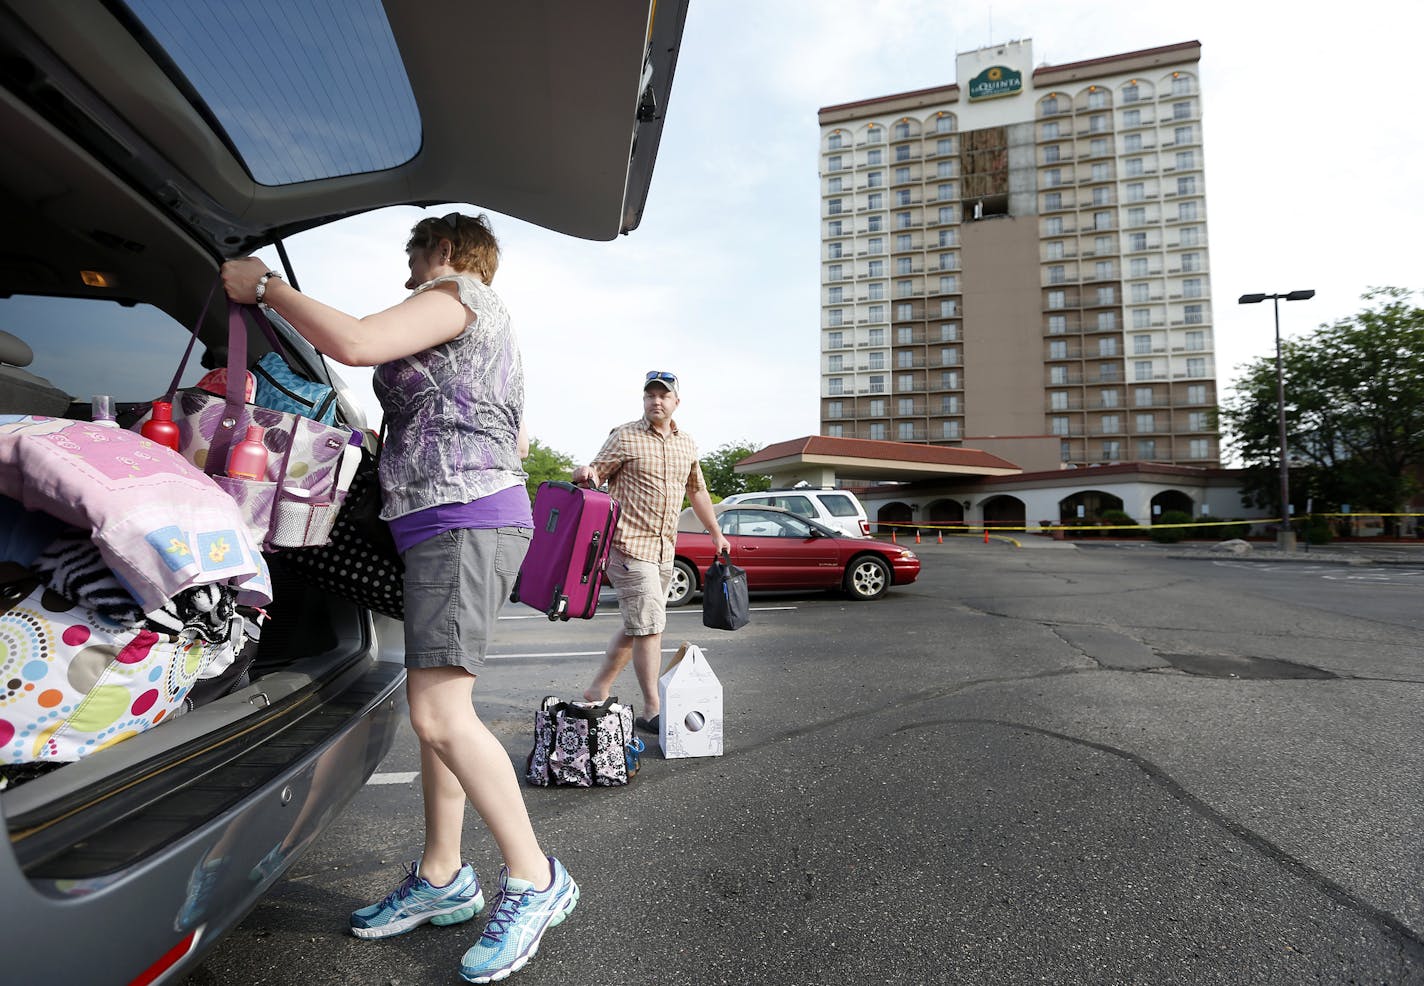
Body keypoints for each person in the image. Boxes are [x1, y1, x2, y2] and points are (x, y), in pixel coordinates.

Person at [220, 212, 574, 985]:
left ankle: (537, 878)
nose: (406, 269)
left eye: (413, 253)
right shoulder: (477, 333)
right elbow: (508, 438)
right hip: (437, 521)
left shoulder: (460, 294)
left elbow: (353, 343)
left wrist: (267, 287)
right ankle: (444, 876)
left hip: (462, 520)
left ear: (443, 249)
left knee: (440, 714)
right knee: (440, 718)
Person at [571, 371, 729, 733]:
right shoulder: (624, 436)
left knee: (637, 627)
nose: (656, 401)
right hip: (628, 546)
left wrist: (716, 532)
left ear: (676, 402)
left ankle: (597, 689)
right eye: (649, 395)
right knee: (651, 628)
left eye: (663, 395)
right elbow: (595, 473)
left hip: (663, 550)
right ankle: (652, 709)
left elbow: (698, 491)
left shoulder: (686, 443)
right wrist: (586, 473)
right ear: (643, 400)